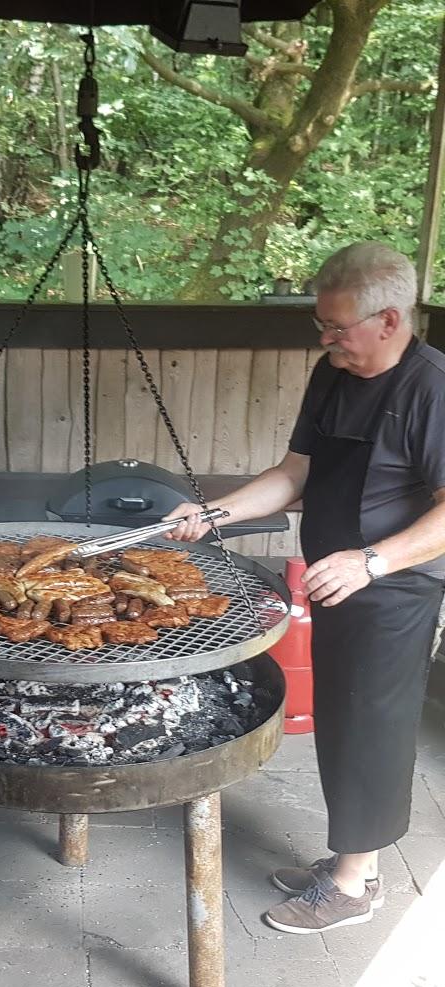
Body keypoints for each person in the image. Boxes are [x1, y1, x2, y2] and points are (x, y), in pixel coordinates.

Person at [166, 241, 445, 934]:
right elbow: (295, 474)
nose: (327, 340)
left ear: (389, 320)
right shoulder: (334, 374)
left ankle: (356, 884)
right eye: (322, 327)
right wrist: (211, 512)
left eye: (339, 328)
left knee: (371, 728)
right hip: (337, 580)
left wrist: (373, 561)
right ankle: (353, 860)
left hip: (393, 589)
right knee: (340, 721)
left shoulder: (432, 388)